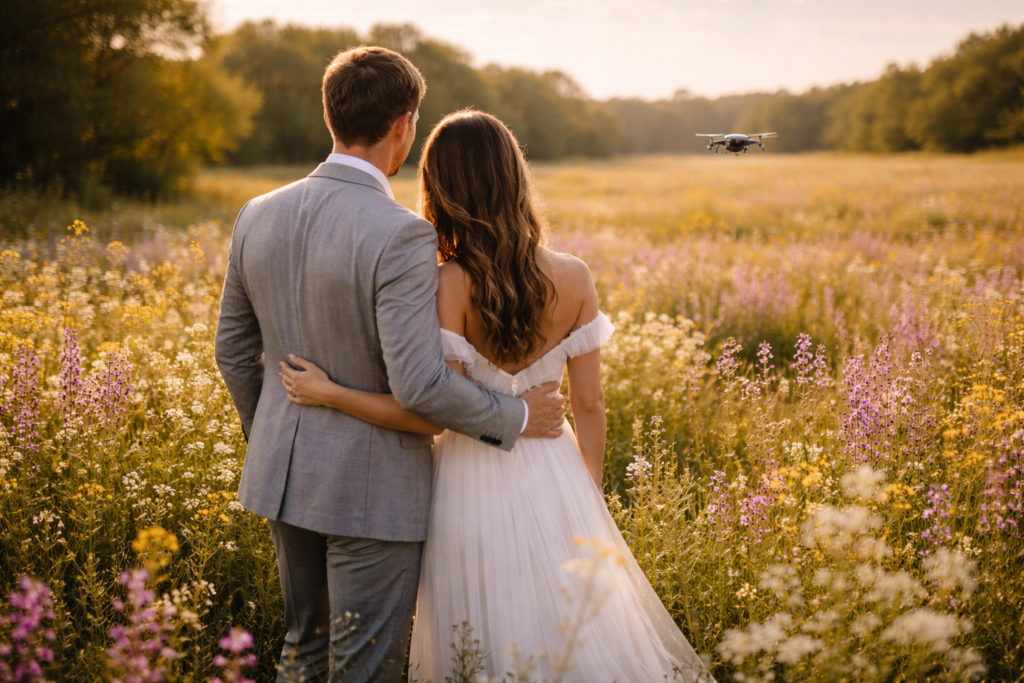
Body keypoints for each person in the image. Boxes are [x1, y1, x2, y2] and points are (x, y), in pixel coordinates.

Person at [280, 110, 714, 683]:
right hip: (557, 467)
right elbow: (589, 405)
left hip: (465, 476)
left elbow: (438, 404)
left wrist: (331, 392)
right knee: (567, 617)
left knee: (478, 624)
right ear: (516, 178)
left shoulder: (449, 282)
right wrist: (586, 488)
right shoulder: (575, 276)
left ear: (441, 189)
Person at [214, 48, 567, 683]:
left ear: (331, 116)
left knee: (304, 650)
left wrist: (273, 435)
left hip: (282, 477)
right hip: (372, 492)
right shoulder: (401, 233)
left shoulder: (255, 214)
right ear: (403, 125)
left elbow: (234, 353)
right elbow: (420, 383)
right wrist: (515, 415)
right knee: (364, 667)